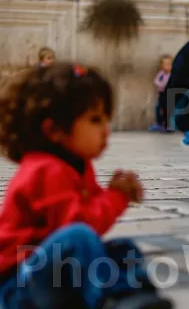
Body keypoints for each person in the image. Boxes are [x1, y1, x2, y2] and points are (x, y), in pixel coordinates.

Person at [0, 63, 172, 309]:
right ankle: (110, 300)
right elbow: (79, 223)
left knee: (122, 249)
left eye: (106, 119)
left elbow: (87, 209)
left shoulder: (76, 165)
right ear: (54, 130)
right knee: (79, 237)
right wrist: (116, 196)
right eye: (95, 120)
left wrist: (111, 193)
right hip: (19, 285)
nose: (106, 131)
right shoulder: (45, 170)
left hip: (51, 273)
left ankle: (132, 296)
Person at [148, 54, 174, 133]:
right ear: (162, 66)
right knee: (158, 108)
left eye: (169, 64)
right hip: (162, 94)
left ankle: (168, 125)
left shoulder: (172, 74)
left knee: (168, 110)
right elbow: (156, 81)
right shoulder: (161, 74)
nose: (167, 66)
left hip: (169, 95)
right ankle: (159, 124)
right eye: (165, 65)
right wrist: (161, 85)